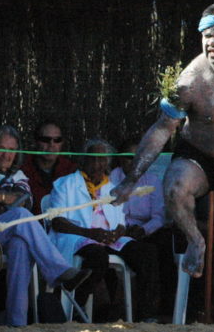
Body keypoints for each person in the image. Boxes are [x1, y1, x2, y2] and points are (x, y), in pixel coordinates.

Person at [111, 2, 214, 324]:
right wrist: (133, 177)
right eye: (207, 35)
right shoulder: (190, 81)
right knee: (174, 187)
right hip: (199, 155)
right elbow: (162, 129)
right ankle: (195, 240)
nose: (212, 42)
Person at [0, 125, 90, 326]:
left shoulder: (18, 176)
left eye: (11, 150)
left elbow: (25, 200)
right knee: (22, 217)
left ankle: (17, 324)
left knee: (20, 244)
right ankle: (57, 272)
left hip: (3, 233)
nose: (5, 155)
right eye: (1, 148)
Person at [50, 138, 160, 322]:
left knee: (147, 253)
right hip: (78, 237)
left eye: (103, 160)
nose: (98, 164)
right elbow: (57, 221)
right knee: (97, 256)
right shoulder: (65, 184)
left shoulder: (111, 188)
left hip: (108, 238)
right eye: (93, 158)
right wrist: (89, 233)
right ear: (83, 160)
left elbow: (121, 222)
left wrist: (117, 233)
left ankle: (146, 315)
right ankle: (77, 309)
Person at [109, 134, 173, 317]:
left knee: (167, 245)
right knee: (147, 253)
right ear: (120, 158)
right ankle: (146, 313)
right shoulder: (111, 180)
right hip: (119, 232)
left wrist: (144, 230)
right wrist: (126, 229)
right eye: (129, 157)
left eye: (139, 158)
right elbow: (110, 212)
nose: (133, 162)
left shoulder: (152, 181)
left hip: (145, 230)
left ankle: (169, 308)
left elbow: (159, 217)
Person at [21, 120, 76, 214]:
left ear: (62, 143)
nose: (52, 144)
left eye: (57, 140)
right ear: (35, 142)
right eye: (46, 140)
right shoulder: (22, 168)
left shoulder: (71, 170)